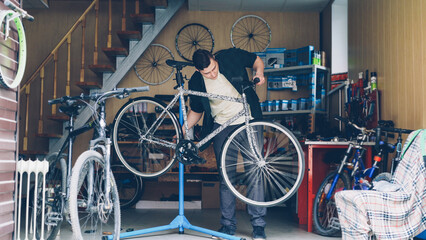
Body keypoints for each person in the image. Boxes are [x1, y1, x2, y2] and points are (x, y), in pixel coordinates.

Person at [184, 48, 267, 240]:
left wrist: (259, 73)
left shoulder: (230, 57)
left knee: (254, 172)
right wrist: (184, 128)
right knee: (226, 177)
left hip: (249, 120)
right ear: (198, 71)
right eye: (207, 73)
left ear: (214, 58)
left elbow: (256, 60)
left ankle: (259, 226)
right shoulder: (196, 81)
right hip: (222, 127)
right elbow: (196, 110)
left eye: (213, 68)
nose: (212, 74)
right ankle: (228, 226)